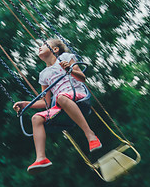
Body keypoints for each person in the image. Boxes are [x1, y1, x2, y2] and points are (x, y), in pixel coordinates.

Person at [13, 38, 102, 174]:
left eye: (43, 45)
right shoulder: (43, 75)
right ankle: (41, 158)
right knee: (36, 118)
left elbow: (82, 78)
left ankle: (90, 135)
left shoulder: (65, 58)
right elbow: (47, 103)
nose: (39, 47)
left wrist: (70, 70)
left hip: (77, 94)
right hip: (61, 103)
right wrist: (25, 104)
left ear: (55, 49)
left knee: (60, 97)